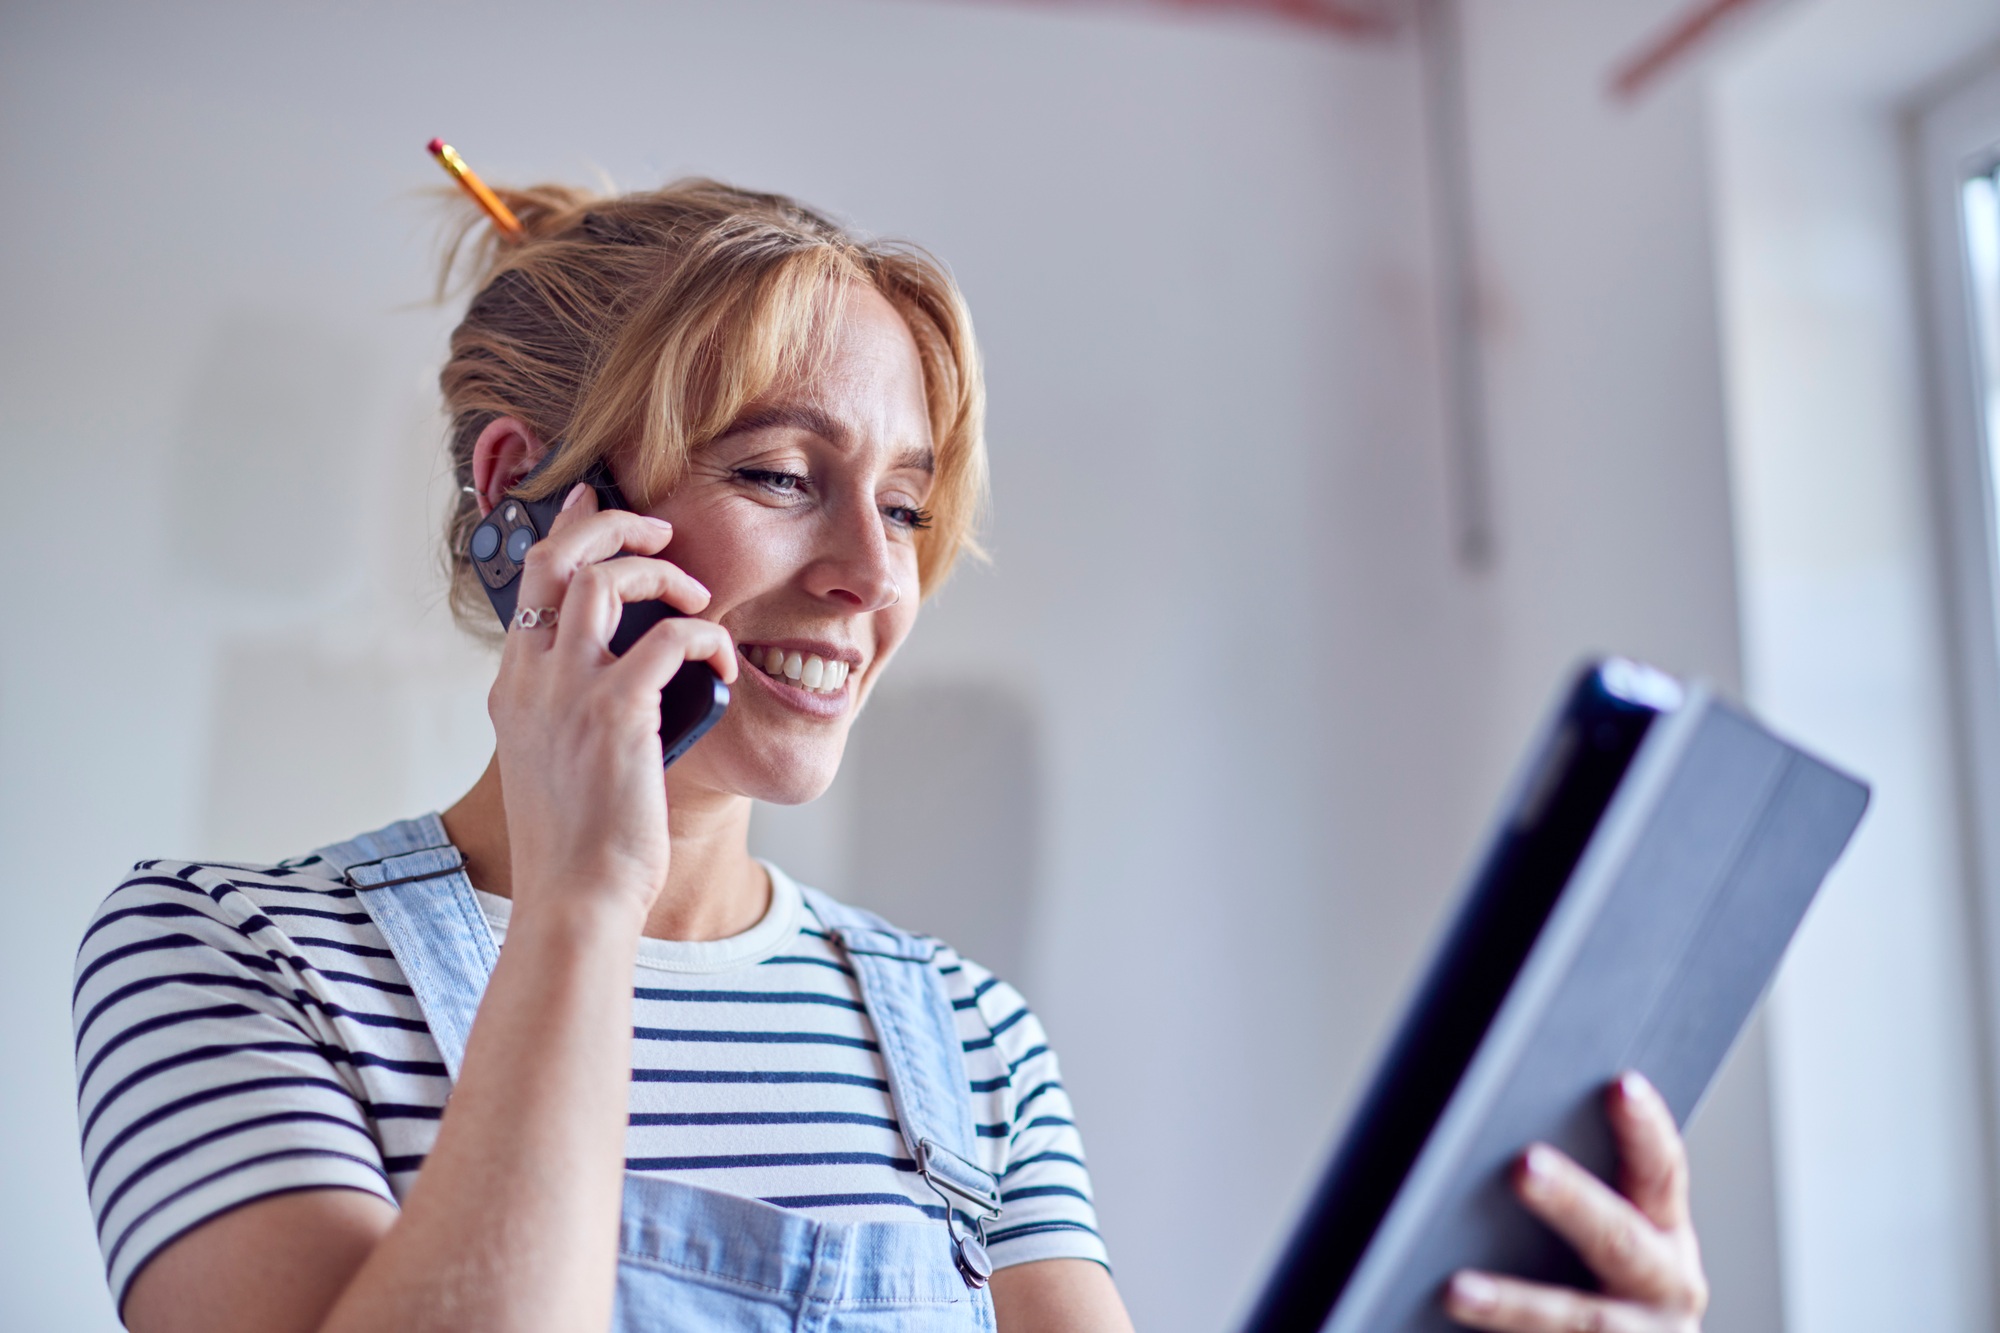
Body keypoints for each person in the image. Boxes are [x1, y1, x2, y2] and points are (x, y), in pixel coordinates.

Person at [72, 179, 1710, 1333]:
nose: (877, 572)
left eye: (912, 502)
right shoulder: (226, 957)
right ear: (532, 499)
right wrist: (584, 896)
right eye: (786, 473)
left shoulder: (966, 1041)